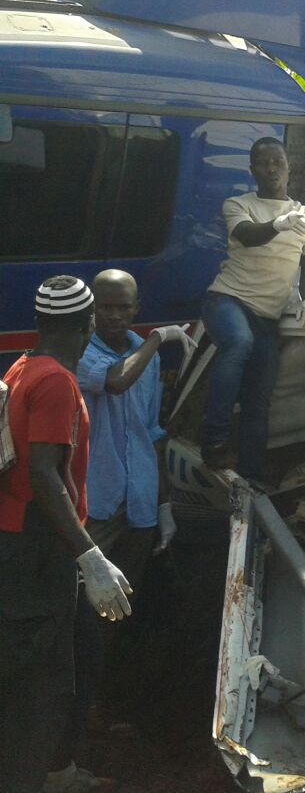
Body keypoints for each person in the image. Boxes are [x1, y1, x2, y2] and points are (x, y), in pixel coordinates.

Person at [47, 272, 197, 790]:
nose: (114, 316)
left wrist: (164, 504)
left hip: (138, 504)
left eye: (124, 308)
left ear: (136, 308)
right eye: (106, 307)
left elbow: (152, 431)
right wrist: (159, 338)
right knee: (78, 618)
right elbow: (114, 381)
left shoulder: (141, 352)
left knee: (115, 621)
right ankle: (62, 726)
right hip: (98, 505)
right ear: (93, 313)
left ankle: (93, 711)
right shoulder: (83, 355)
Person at [1, 278, 132, 793]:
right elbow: (43, 474)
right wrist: (90, 556)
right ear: (88, 324)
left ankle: (56, 770)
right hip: (38, 546)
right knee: (39, 684)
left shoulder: (22, 366)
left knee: (81, 654)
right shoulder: (56, 381)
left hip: (24, 540)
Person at [202, 137, 305, 482]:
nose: (271, 168)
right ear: (253, 170)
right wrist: (277, 224)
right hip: (227, 301)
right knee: (239, 344)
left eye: (278, 162)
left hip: (268, 317)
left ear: (289, 167)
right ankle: (213, 442)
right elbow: (247, 235)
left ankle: (253, 480)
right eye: (263, 163)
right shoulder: (238, 204)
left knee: (259, 402)